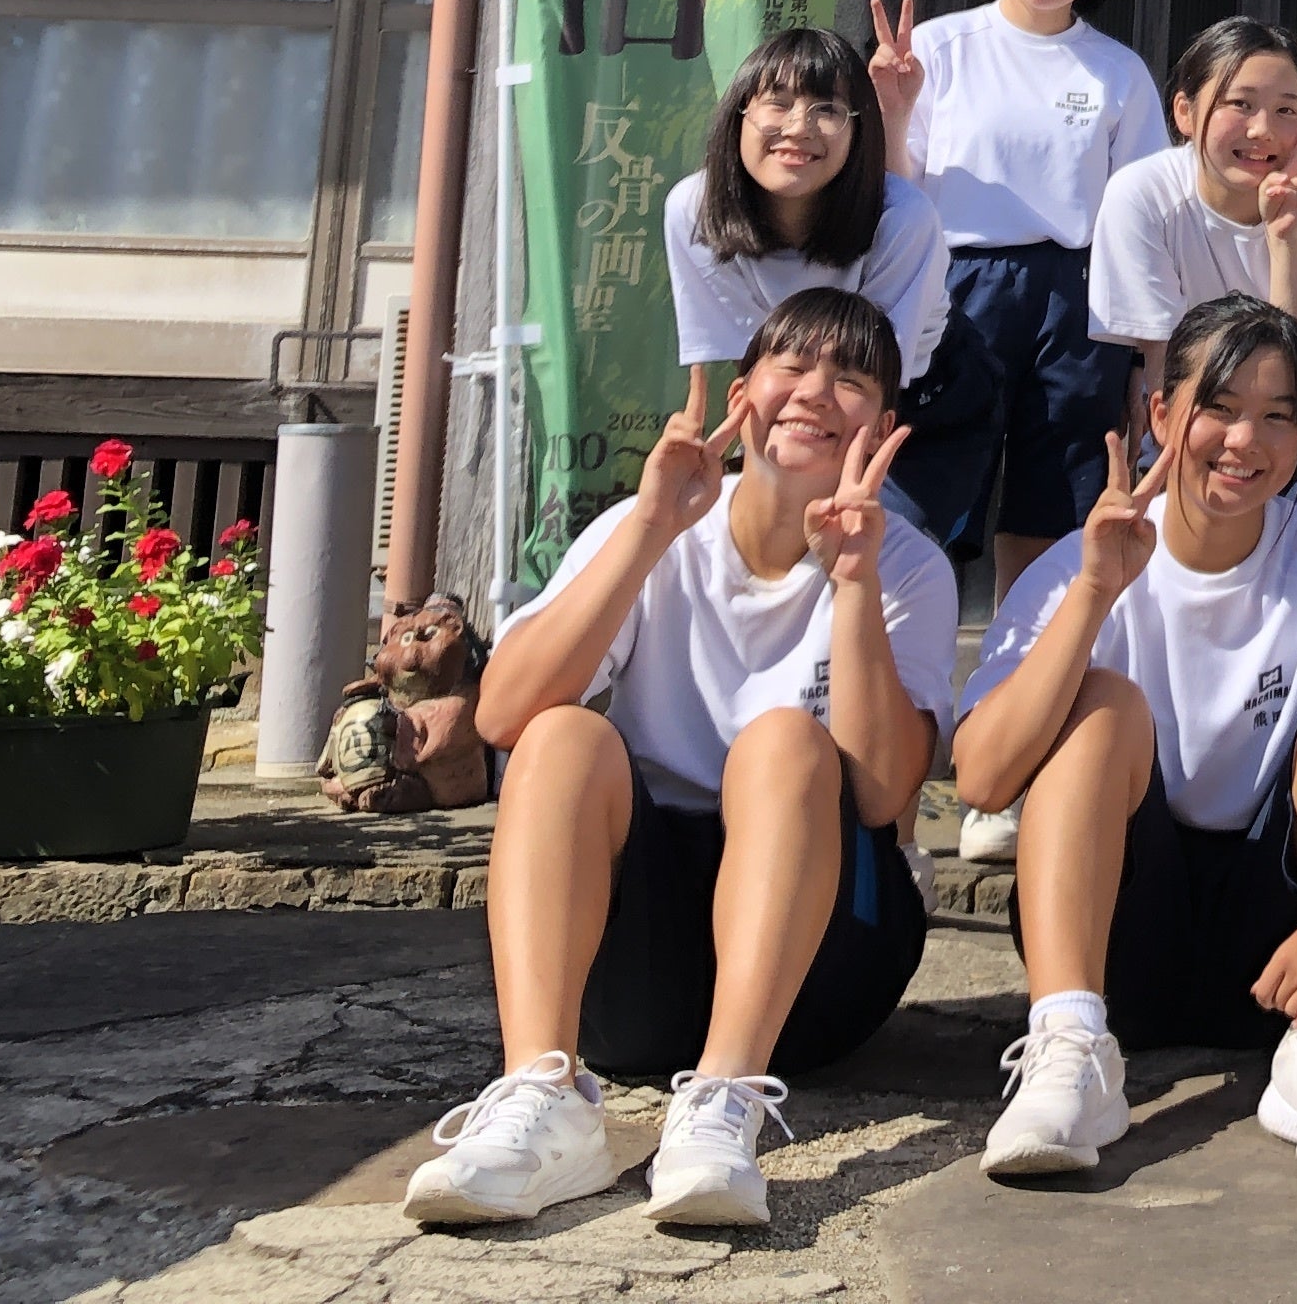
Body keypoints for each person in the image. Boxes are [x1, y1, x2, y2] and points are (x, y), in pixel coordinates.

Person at [404, 292, 949, 1234]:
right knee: (562, 736)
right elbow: (501, 714)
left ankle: (727, 1103)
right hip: (640, 966)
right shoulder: (655, 524)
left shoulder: (907, 566)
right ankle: (542, 1094)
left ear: (884, 427)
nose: (817, 393)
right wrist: (652, 526)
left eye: (852, 380)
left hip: (822, 966)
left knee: (784, 740)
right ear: (742, 396)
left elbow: (882, 791)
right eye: (793, 367)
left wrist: (854, 580)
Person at [951, 294, 1297, 1179]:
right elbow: (982, 779)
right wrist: (1092, 595)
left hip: (1292, 961)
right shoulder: (1078, 561)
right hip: (1119, 941)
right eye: (1219, 408)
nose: (1244, 441)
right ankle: (1069, 1050)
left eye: (1278, 417)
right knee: (1101, 703)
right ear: (1160, 413)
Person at [864, 0, 1166, 617]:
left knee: (1056, 497)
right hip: (954, 288)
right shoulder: (939, 48)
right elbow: (897, 192)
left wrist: (1142, 355)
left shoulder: (1119, 71)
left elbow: (1139, 218)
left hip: (1080, 301)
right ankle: (905, 653)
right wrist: (893, 110)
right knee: (927, 482)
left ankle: (1024, 665)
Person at [1090, 18, 1297, 543]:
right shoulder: (1142, 195)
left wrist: (1285, 236)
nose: (1262, 131)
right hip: (1198, 400)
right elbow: (1163, 366)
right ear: (1185, 113)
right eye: (1241, 104)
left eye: (1286, 111)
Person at [665, 28, 948, 394]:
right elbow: (747, 356)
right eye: (778, 103)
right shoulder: (694, 209)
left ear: (858, 131)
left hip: (916, 389)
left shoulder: (905, 218)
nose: (799, 128)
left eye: (827, 109)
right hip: (786, 386)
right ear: (740, 113)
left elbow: (875, 372)